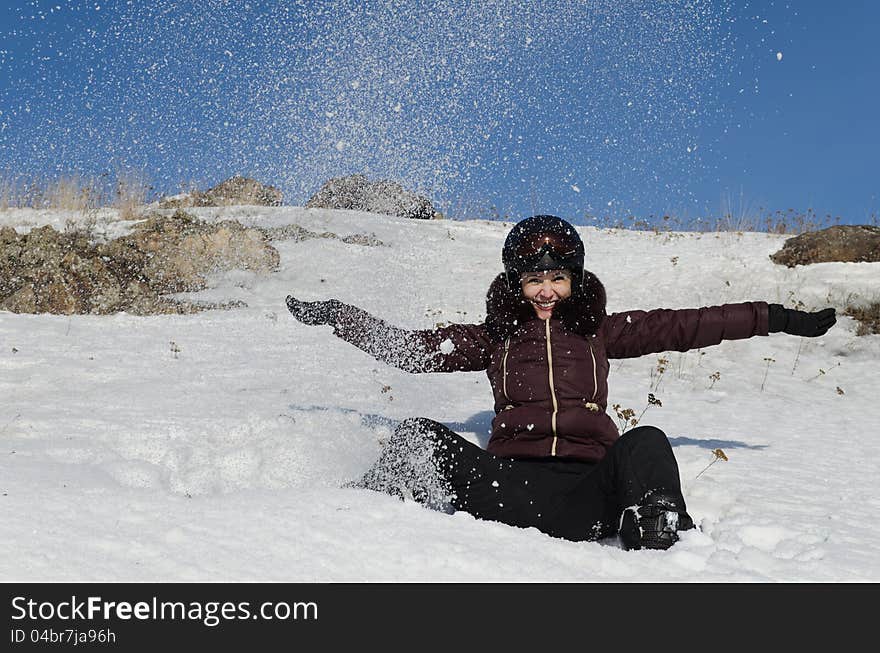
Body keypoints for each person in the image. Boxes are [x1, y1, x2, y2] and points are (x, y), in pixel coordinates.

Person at [286, 215, 836, 550]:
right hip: (506, 488)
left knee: (646, 440)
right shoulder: (492, 339)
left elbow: (690, 325)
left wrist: (776, 317)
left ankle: (655, 526)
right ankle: (360, 517)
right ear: (515, 283)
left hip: (588, 495)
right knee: (418, 438)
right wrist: (340, 316)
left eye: (557, 277)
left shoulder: (601, 332)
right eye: (533, 280)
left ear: (574, 279)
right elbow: (407, 349)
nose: (546, 290)